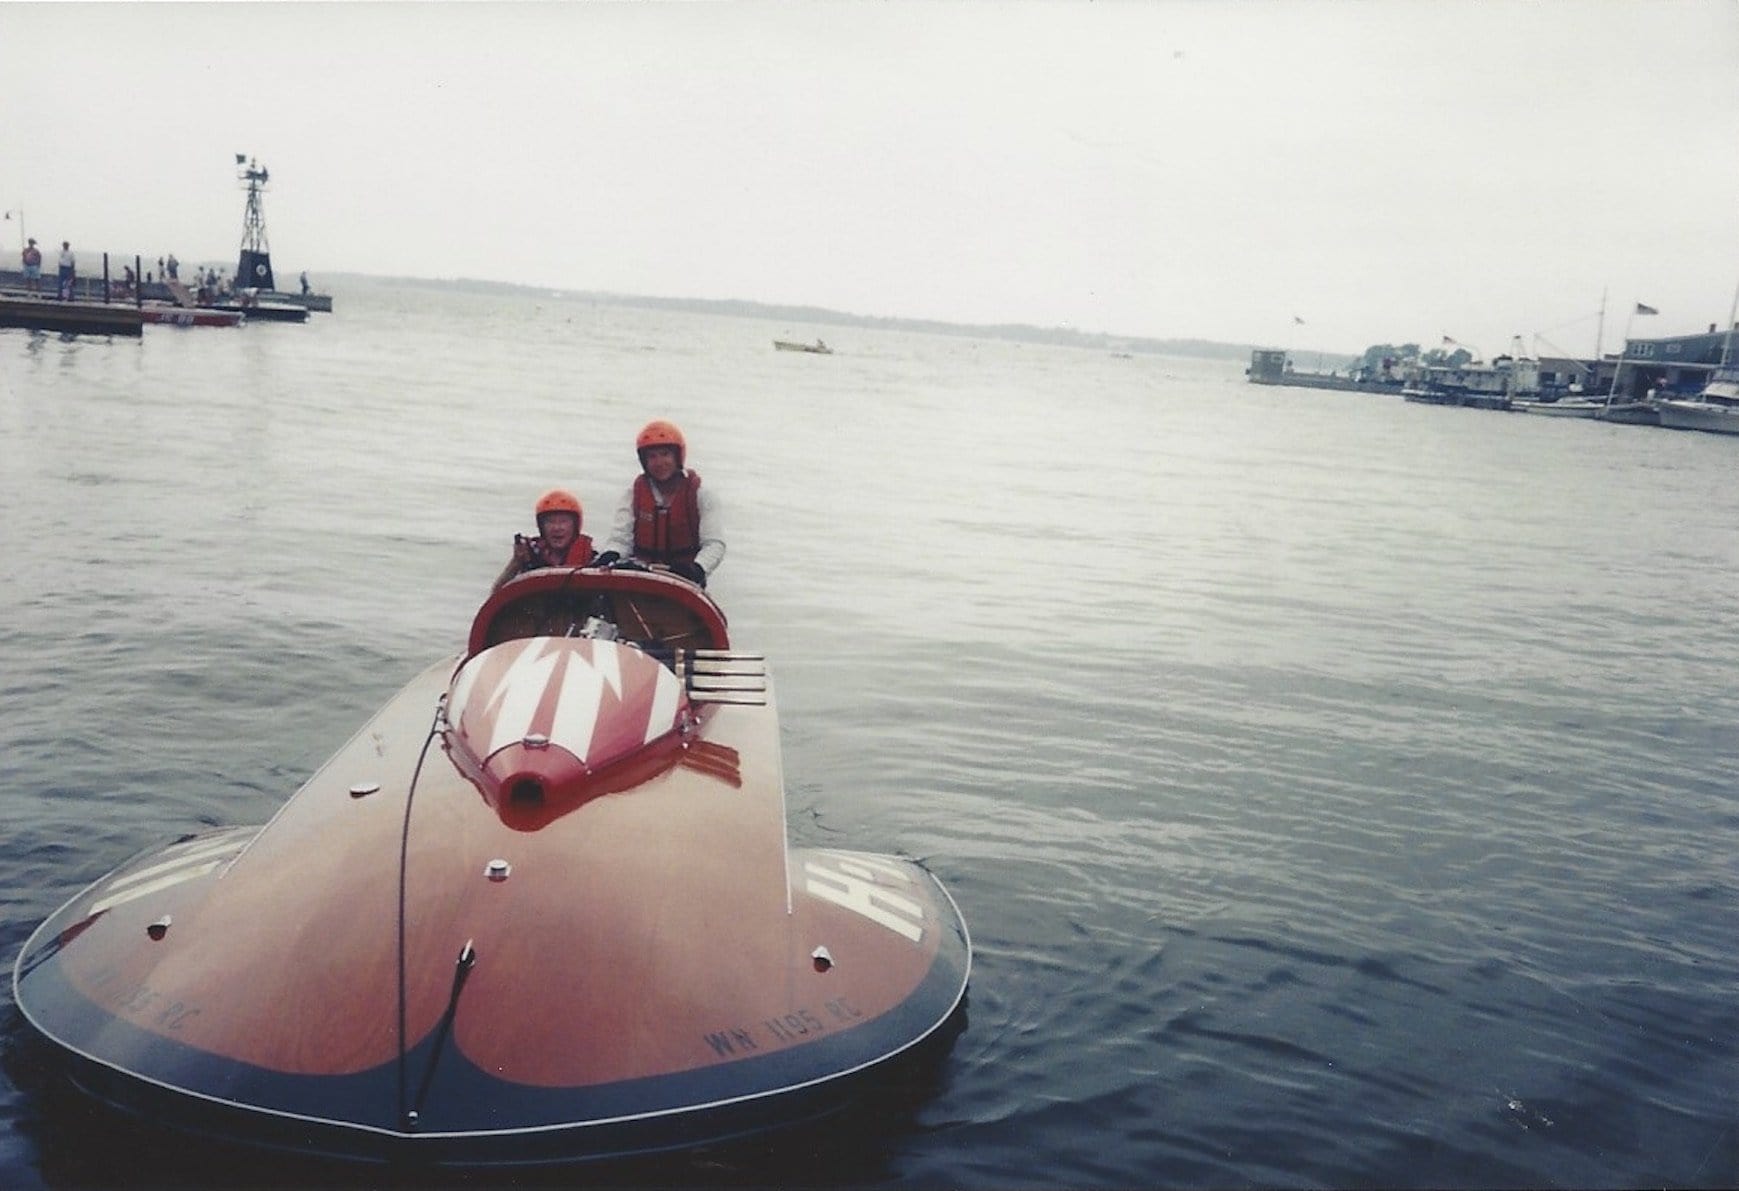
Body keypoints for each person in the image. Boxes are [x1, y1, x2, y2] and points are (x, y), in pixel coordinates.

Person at [596, 419, 724, 587]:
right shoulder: (633, 494)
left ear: (677, 456)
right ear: (644, 461)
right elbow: (621, 539)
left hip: (685, 581)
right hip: (640, 577)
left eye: (665, 454)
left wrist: (697, 569)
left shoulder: (702, 494)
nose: (659, 463)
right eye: (652, 456)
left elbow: (714, 544)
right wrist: (610, 555)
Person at [492, 488, 595, 592]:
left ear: (575, 525)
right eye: (550, 522)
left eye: (564, 521)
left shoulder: (592, 559)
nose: (557, 528)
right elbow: (496, 595)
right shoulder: (530, 556)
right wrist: (515, 562)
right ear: (541, 527)